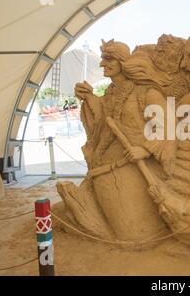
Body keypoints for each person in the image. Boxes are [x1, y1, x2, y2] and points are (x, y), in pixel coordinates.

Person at [58, 39, 177, 241]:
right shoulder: (110, 94)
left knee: (132, 235)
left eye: (109, 59)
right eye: (103, 59)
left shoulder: (147, 92)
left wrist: (146, 149)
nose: (103, 64)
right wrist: (89, 98)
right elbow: (100, 123)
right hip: (103, 166)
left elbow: (167, 126)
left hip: (136, 166)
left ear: (123, 62)